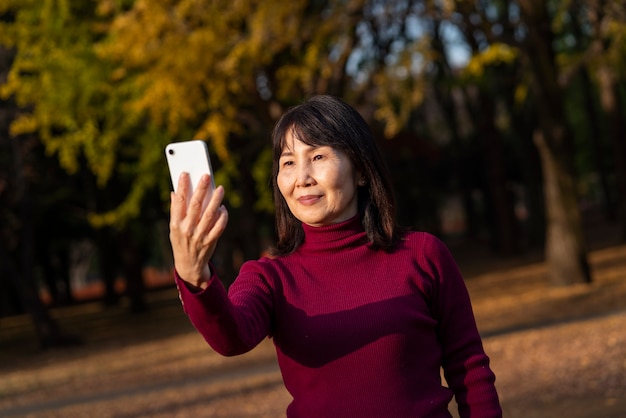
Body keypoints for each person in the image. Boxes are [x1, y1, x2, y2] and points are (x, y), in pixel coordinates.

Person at [168, 95, 502, 417]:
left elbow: (469, 367)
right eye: (288, 162)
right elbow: (231, 337)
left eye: (317, 157)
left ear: (360, 170)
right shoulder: (269, 276)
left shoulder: (423, 255)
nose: (302, 178)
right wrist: (195, 278)